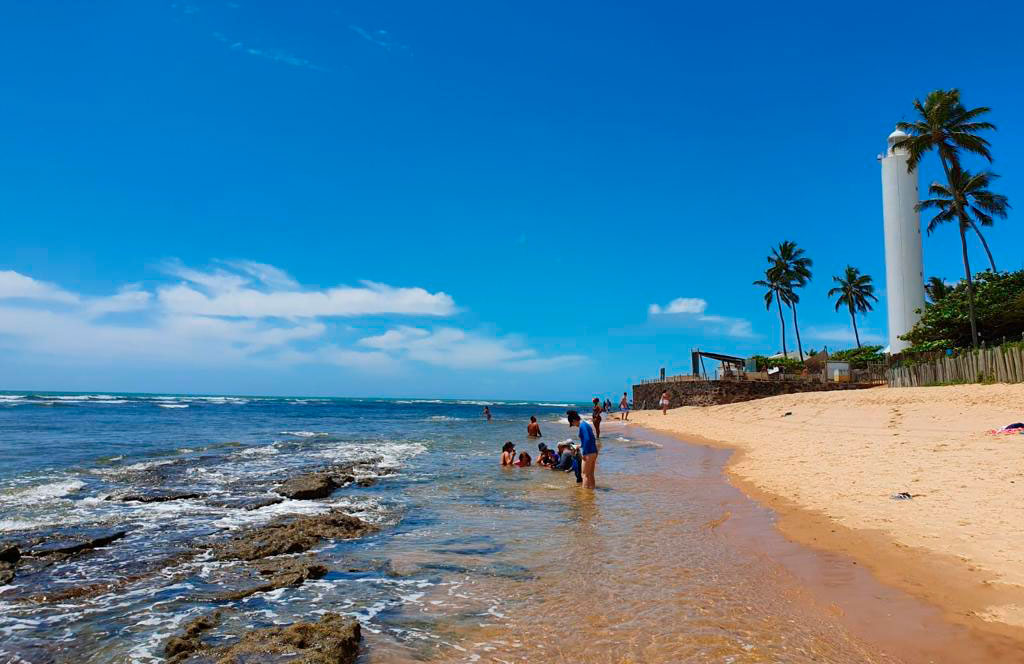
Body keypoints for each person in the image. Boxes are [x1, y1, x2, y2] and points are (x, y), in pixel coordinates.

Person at [567, 409, 598, 489]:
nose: (574, 425)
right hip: (594, 452)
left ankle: (585, 496)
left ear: (574, 420)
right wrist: (579, 446)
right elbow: (591, 439)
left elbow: (587, 439)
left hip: (588, 453)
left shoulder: (582, 426)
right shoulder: (586, 424)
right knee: (590, 474)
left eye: (572, 424)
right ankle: (591, 493)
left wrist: (584, 453)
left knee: (584, 475)